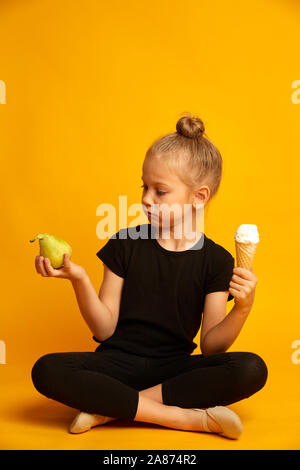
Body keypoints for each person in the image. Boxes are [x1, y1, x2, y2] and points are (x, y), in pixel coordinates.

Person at [31, 112, 268, 440]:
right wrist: (79, 278)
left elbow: (212, 349)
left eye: (160, 191)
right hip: (115, 367)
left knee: (251, 369)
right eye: (144, 186)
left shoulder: (216, 260)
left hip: (173, 370)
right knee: (46, 369)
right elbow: (104, 329)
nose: (145, 199)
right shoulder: (124, 245)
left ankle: (107, 410)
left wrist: (242, 308)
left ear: (198, 197)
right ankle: (185, 419)